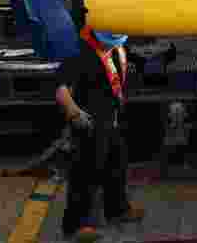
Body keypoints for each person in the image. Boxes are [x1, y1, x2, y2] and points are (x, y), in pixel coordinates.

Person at [55, 26, 145, 242]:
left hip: (112, 118)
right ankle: (77, 224)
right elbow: (61, 89)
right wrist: (74, 112)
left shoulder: (117, 45)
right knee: (86, 173)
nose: (112, 46)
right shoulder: (79, 50)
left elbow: (129, 60)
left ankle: (118, 209)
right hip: (90, 122)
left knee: (117, 164)